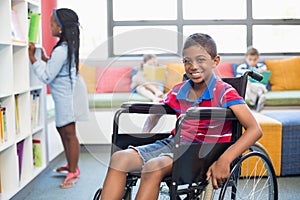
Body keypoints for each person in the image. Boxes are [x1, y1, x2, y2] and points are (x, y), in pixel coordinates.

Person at [99, 33, 262, 200]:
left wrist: (225, 159)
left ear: (215, 61)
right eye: (187, 61)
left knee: (152, 167)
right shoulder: (179, 90)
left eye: (200, 60)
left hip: (203, 152)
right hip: (175, 144)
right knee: (119, 158)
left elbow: (254, 129)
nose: (193, 66)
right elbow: (157, 112)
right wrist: (145, 135)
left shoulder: (224, 92)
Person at [28, 8, 87, 189]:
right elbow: (58, 67)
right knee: (63, 129)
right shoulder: (65, 48)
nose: (50, 25)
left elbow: (46, 77)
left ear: (60, 28)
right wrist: (47, 59)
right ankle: (71, 166)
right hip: (67, 93)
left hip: (67, 96)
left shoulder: (62, 50)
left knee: (69, 133)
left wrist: (33, 59)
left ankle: (73, 171)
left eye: (52, 23)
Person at [235, 47, 269, 112]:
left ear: (258, 59)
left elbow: (265, 75)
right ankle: (258, 100)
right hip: (249, 86)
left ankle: (257, 101)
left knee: (259, 89)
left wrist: (260, 70)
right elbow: (239, 76)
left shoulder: (261, 66)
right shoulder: (242, 67)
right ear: (246, 58)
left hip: (260, 86)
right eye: (250, 59)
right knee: (247, 88)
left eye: (255, 59)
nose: (252, 62)